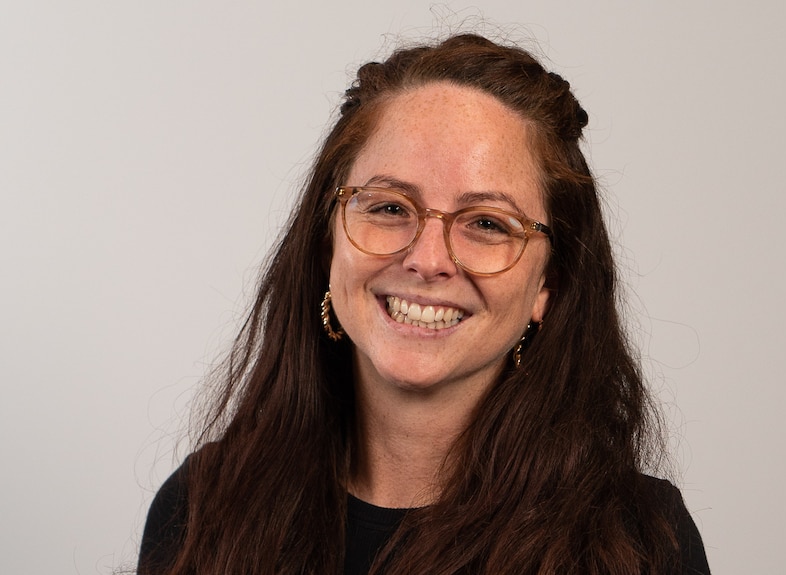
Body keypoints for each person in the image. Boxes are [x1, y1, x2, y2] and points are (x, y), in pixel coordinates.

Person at [138, 32, 710, 574]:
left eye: (487, 223)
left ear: (546, 287)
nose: (427, 258)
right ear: (327, 240)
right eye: (389, 208)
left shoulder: (636, 541)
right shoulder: (202, 506)